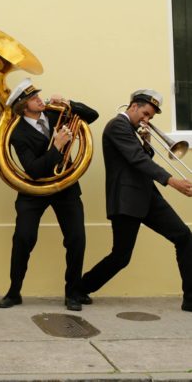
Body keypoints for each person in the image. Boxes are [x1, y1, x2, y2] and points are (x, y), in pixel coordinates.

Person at [80, 89, 192, 312]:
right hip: (126, 199)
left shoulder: (132, 129)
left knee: (184, 237)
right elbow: (137, 159)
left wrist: (146, 142)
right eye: (145, 113)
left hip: (147, 196)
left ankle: (190, 298)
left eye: (150, 117)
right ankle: (79, 287)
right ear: (133, 107)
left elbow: (140, 157)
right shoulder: (117, 126)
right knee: (121, 256)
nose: (147, 119)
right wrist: (172, 181)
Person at [0, 78, 99, 311]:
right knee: (23, 238)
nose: (39, 99)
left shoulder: (55, 114)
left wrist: (68, 102)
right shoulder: (17, 133)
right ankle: (14, 292)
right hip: (33, 191)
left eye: (38, 96)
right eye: (33, 98)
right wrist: (57, 146)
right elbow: (33, 169)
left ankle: (72, 292)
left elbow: (92, 116)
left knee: (76, 239)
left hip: (65, 187)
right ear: (23, 106)